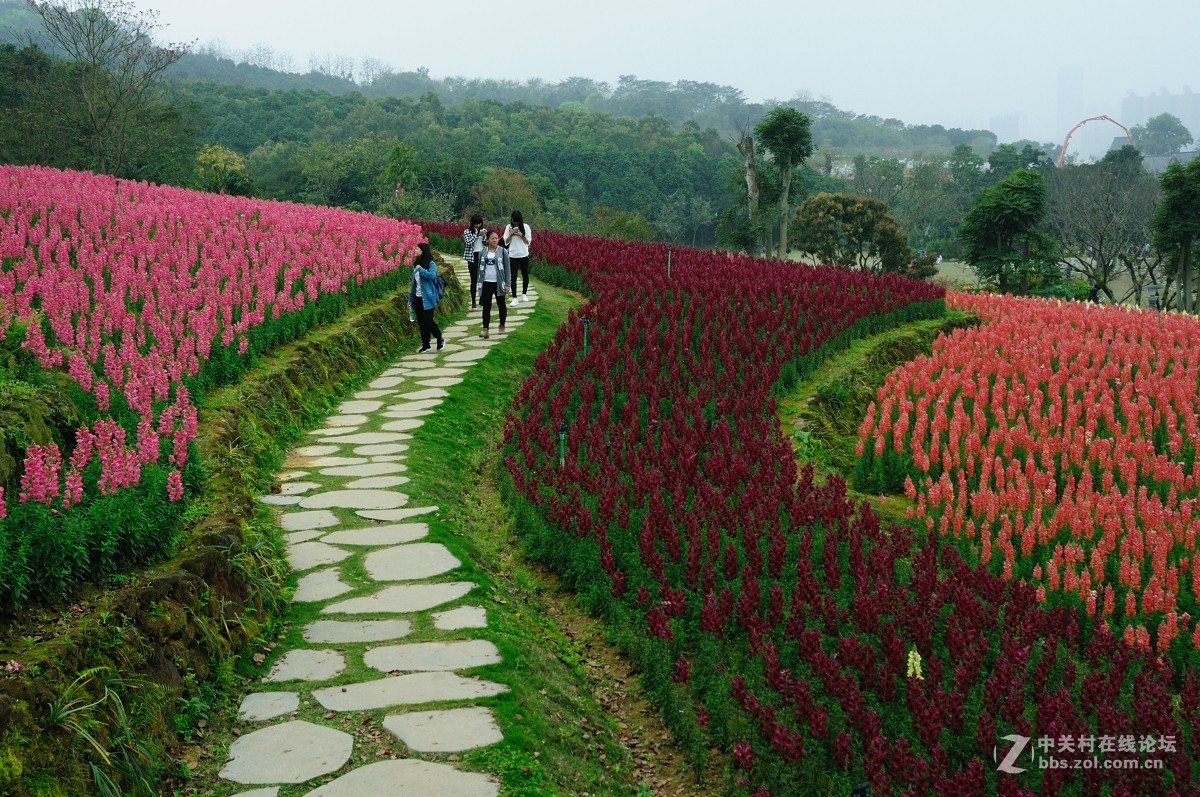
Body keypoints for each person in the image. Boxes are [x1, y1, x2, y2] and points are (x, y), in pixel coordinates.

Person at [409, 242, 445, 353]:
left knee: (428, 320)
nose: (414, 250)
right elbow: (414, 284)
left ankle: (439, 338)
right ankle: (426, 344)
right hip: (417, 298)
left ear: (423, 251)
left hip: (428, 298)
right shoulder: (416, 264)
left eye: (417, 249)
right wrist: (410, 300)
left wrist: (421, 270)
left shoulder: (430, 264)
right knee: (421, 322)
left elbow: (431, 276)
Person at [477, 230, 510, 339]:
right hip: (486, 282)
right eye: (493, 238)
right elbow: (479, 268)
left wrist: (507, 284)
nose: (495, 240)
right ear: (487, 240)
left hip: (499, 283)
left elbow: (507, 269)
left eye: (496, 238)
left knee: (501, 304)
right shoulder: (483, 252)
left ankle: (502, 325)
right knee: (486, 306)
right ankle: (485, 329)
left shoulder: (503, 251)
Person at [503, 210, 532, 306]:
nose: (516, 223)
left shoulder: (526, 227)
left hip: (523, 254)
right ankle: (514, 297)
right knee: (513, 276)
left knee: (525, 274)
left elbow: (528, 242)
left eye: (517, 221)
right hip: (513, 255)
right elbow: (506, 242)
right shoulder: (508, 227)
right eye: (514, 221)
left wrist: (521, 235)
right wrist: (511, 234)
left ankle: (524, 294)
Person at [462, 213, 486, 309]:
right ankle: (473, 301)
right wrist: (476, 234)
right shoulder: (467, 231)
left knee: (483, 279)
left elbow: (486, 244)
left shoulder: (484, 231)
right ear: (472, 223)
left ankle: (482, 299)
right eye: (476, 224)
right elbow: (468, 243)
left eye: (479, 224)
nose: (477, 226)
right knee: (474, 280)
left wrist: (484, 236)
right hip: (472, 257)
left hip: (482, 255)